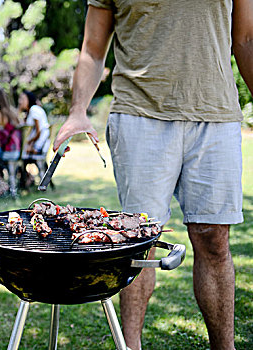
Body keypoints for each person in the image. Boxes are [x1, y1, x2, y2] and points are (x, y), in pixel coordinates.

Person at [53, 1, 252, 350]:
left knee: (214, 240)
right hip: (139, 114)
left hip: (215, 113)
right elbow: (93, 47)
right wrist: (77, 110)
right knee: (137, 241)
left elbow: (246, 38)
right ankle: (130, 346)